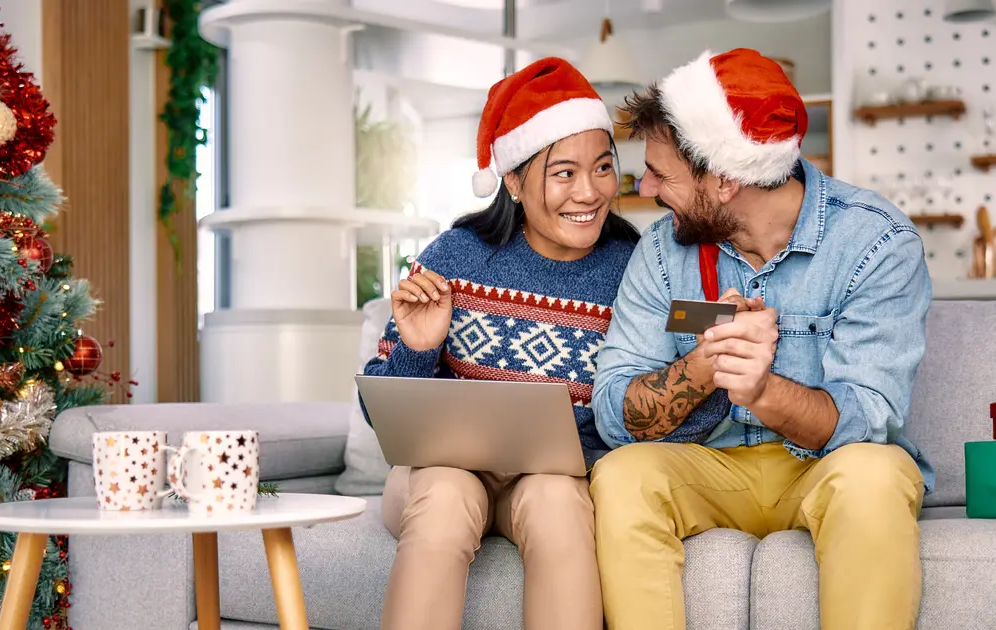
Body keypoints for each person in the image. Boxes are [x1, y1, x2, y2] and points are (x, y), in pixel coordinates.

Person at [588, 48, 934, 630]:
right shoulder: (660, 252)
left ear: (724, 179)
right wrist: (701, 368)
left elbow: (873, 415)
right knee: (622, 476)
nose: (645, 187)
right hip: (711, 468)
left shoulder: (876, 243)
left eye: (662, 174)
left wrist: (764, 389)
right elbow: (613, 415)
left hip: (823, 468)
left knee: (877, 475)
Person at [359, 57, 640, 630]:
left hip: (551, 481)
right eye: (563, 173)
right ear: (512, 180)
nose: (589, 192)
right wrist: (418, 347)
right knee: (445, 494)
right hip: (435, 475)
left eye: (603, 167)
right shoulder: (455, 255)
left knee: (559, 502)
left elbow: (646, 403)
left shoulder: (634, 269)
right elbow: (377, 409)